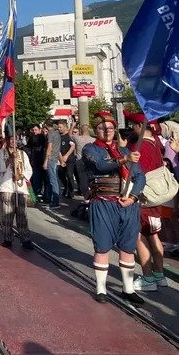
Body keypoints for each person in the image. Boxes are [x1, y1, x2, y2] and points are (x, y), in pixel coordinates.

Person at [82, 111, 145, 305]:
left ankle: (128, 288)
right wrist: (126, 160)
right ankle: (101, 289)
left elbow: (140, 177)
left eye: (110, 128)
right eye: (102, 128)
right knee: (102, 246)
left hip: (127, 205)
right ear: (96, 130)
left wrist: (133, 197)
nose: (107, 131)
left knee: (127, 247)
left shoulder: (126, 151)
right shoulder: (90, 149)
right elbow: (101, 166)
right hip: (103, 203)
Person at [123, 112, 169, 292]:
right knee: (154, 234)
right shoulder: (156, 142)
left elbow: (136, 173)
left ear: (140, 127)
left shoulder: (139, 146)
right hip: (156, 196)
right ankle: (160, 275)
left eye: (133, 124)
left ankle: (148, 277)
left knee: (139, 236)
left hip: (143, 197)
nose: (132, 128)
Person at [0, 136, 34, 249]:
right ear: (7, 141)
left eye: (15, 139)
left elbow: (29, 169)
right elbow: (0, 168)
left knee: (22, 215)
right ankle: (8, 238)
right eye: (10, 139)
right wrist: (10, 158)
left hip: (20, 189)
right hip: (7, 188)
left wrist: (21, 175)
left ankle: (25, 239)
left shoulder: (22, 154)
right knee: (7, 216)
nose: (13, 141)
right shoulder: (1, 153)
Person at [71, 123, 95, 197]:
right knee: (91, 180)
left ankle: (86, 197)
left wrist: (72, 126)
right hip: (90, 162)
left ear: (81, 130)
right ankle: (91, 196)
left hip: (80, 162)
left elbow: (69, 135)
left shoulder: (77, 138)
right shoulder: (93, 140)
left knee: (83, 181)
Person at [44, 119, 62, 208]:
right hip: (56, 158)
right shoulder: (57, 133)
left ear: (46, 125)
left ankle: (55, 202)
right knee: (54, 180)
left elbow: (49, 148)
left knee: (53, 181)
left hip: (51, 158)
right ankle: (53, 200)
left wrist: (45, 161)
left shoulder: (50, 134)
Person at [26, 124, 47, 199]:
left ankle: (38, 191)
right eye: (33, 130)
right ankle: (35, 192)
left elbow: (43, 148)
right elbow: (28, 147)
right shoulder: (31, 137)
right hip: (33, 160)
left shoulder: (42, 137)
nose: (34, 131)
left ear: (39, 129)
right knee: (34, 177)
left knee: (39, 177)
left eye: (36, 130)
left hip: (40, 159)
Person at [57, 120, 77, 198]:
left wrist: (66, 156)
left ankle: (71, 192)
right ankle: (65, 187)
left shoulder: (69, 136)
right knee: (61, 175)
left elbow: (73, 146)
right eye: (58, 127)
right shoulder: (58, 137)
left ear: (65, 127)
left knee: (69, 175)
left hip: (70, 159)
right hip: (61, 159)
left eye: (60, 127)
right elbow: (57, 149)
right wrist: (61, 159)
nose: (59, 129)